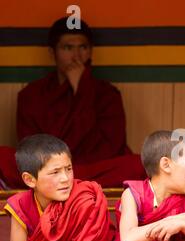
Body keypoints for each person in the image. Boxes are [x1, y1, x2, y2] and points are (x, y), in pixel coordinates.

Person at [0, 16, 146, 189]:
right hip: (50, 169)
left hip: (95, 168)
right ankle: (71, 182)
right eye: (68, 47)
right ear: (52, 52)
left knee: (138, 164)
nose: (76, 56)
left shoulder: (107, 94)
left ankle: (65, 183)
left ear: (91, 51)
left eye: (83, 47)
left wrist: (82, 90)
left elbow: (112, 147)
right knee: (3, 157)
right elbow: (31, 149)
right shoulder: (31, 95)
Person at [0, 134, 114, 241]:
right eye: (55, 172)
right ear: (30, 180)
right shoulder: (21, 206)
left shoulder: (83, 200)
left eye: (68, 169)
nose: (65, 179)